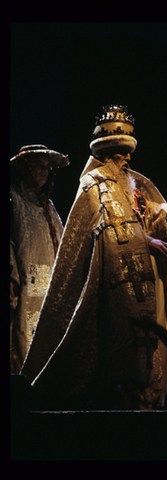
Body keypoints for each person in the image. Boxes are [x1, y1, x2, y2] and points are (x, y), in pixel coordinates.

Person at [20, 104, 167, 410]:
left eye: (127, 154)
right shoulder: (92, 186)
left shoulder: (132, 187)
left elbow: (159, 218)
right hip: (111, 290)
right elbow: (104, 239)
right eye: (122, 154)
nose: (127, 160)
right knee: (120, 359)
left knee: (148, 352)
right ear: (110, 152)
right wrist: (145, 242)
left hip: (144, 285)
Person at [10, 144, 70, 374]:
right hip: (25, 284)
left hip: (50, 289)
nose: (45, 171)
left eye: (47, 167)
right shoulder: (13, 199)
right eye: (38, 166)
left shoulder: (48, 206)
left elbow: (63, 244)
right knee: (23, 338)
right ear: (25, 168)